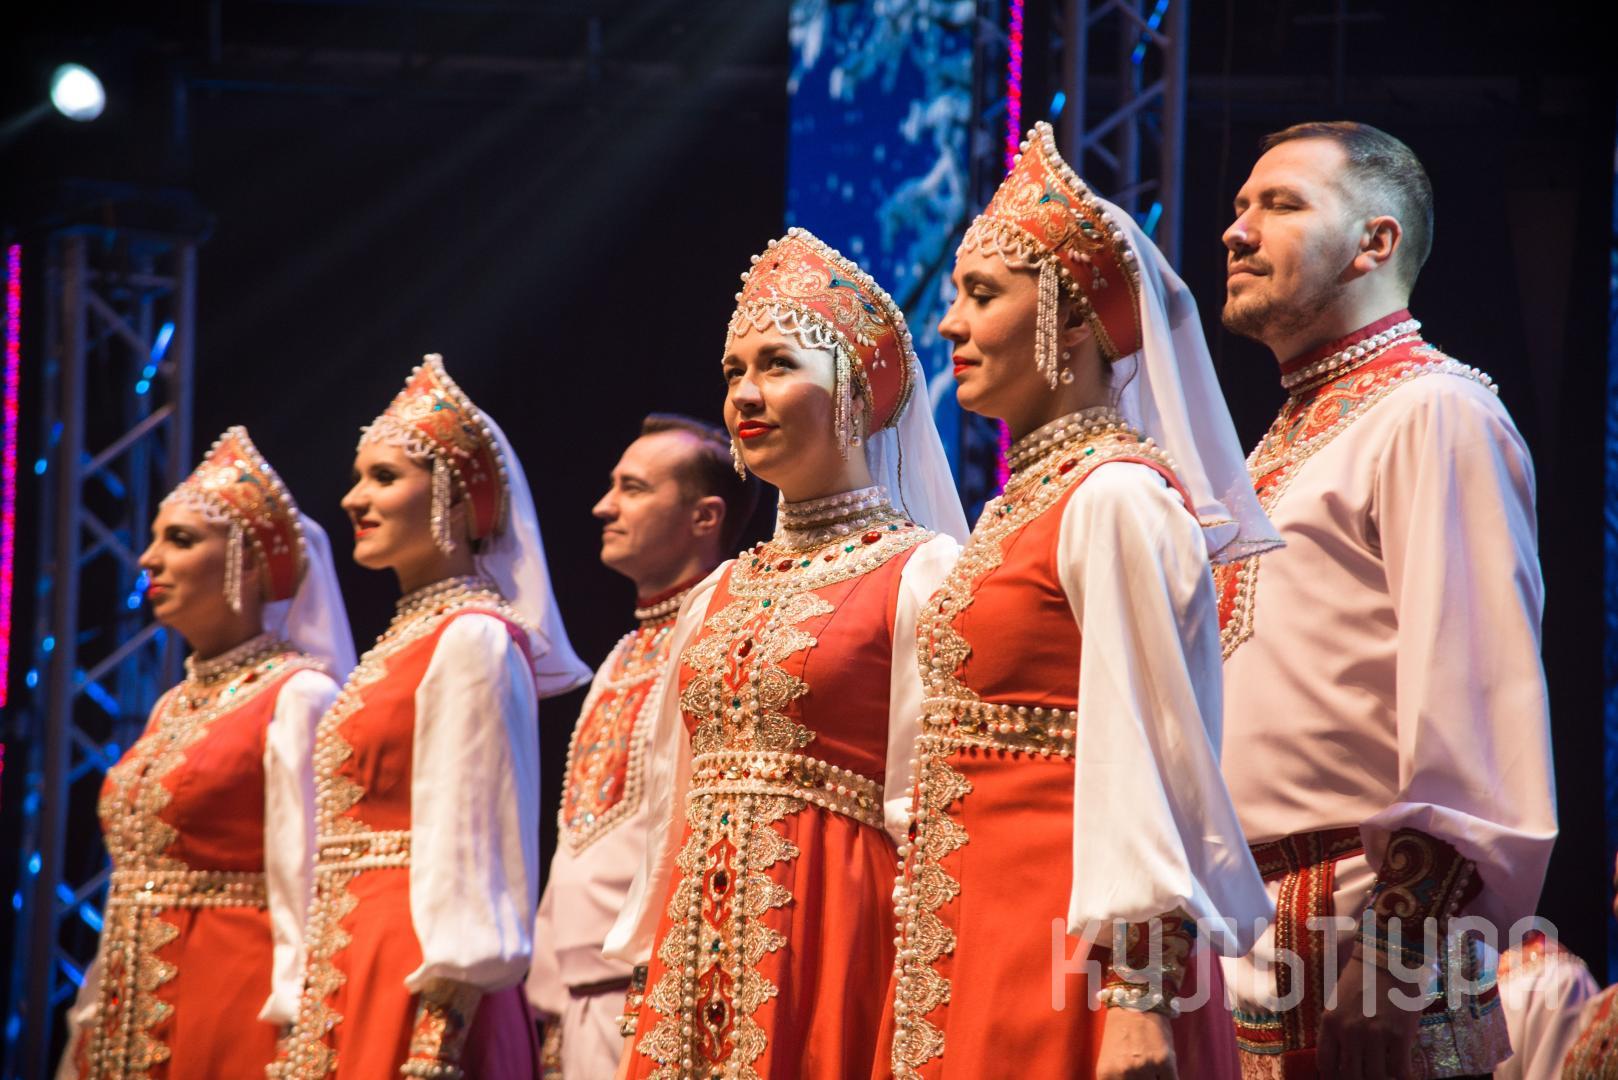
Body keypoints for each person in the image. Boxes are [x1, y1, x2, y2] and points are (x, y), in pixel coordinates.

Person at [877, 120, 1277, 1080]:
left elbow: (1154, 747)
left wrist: (1137, 994)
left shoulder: (1117, 497)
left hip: (1069, 944)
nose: (949, 325)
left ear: (1070, 321)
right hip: (982, 919)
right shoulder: (1026, 506)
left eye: (982, 295)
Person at [1213, 120, 1557, 1079]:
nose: (1238, 229)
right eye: (1239, 206)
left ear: (1375, 241)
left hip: (1368, 930)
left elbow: (1473, 701)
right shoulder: (1284, 441)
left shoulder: (1434, 410)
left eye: (1281, 204)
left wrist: (1400, 950)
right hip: (1254, 936)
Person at [604, 227, 969, 1079]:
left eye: (777, 365)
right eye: (734, 371)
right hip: (692, 963)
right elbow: (670, 814)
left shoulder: (923, 573)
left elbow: (932, 815)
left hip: (840, 944)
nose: (745, 393)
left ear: (857, 394)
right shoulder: (713, 595)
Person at [275, 355, 590, 1079]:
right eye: (358, 477)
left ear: (453, 500)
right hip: (357, 951)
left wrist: (444, 1014)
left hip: (421, 969)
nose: (354, 498)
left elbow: (480, 843)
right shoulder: (406, 643)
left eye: (384, 477)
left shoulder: (474, 637)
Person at [57, 427, 354, 1080]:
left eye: (180, 540)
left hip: (231, 1005)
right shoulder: (171, 706)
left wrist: (302, 1031)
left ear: (247, 563)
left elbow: (310, 889)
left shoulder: (300, 696)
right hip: (128, 1005)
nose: (148, 560)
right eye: (155, 538)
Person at [526, 414, 758, 1078]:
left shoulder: (718, 645)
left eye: (633, 488)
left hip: (652, 995)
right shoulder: (621, 655)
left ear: (704, 517)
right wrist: (548, 995)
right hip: (577, 1001)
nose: (605, 507)